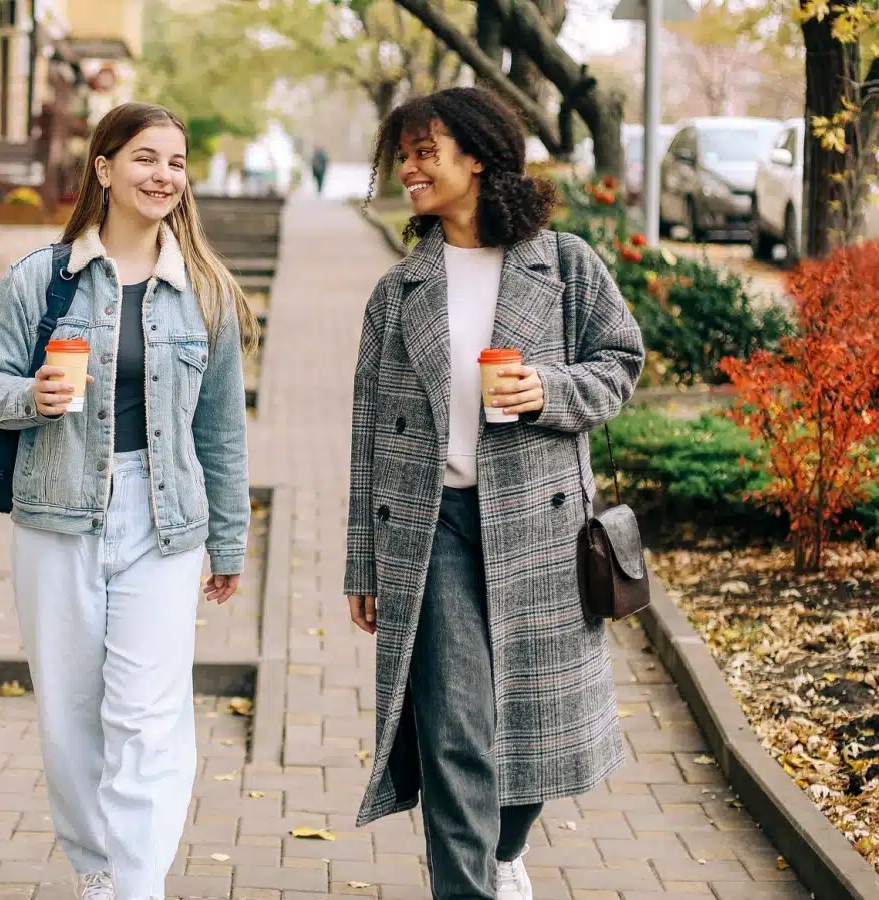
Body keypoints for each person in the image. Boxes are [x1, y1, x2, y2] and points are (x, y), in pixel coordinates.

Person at [345, 86, 645, 900]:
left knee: (536, 717)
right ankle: (468, 886)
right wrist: (362, 564)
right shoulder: (399, 291)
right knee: (457, 730)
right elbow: (368, 431)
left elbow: (620, 367)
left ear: (476, 154)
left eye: (423, 151)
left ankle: (505, 849)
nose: (408, 168)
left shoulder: (567, 263)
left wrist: (547, 390)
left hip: (539, 525)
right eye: (401, 154)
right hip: (431, 525)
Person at [0, 102, 259, 900]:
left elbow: (222, 431)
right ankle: (95, 871)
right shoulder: (42, 277)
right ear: (103, 168)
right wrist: (35, 397)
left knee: (148, 716)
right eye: (145, 158)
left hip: (165, 523)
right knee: (70, 713)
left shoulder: (206, 289)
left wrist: (229, 541)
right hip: (58, 516)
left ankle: (136, 884)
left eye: (176, 162)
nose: (164, 175)